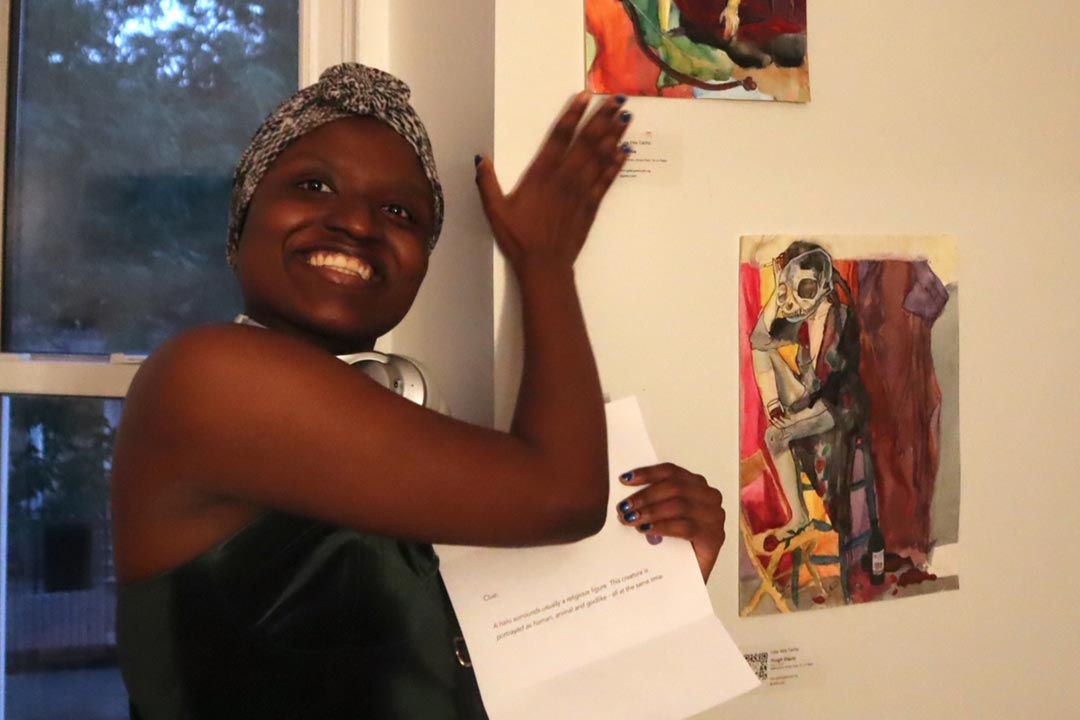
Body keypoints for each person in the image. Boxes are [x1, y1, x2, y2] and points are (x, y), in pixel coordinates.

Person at [110, 63, 727, 719]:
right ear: (242, 222)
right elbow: (563, 496)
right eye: (314, 185)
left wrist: (657, 574)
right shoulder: (207, 377)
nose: (357, 223)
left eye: (398, 211)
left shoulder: (399, 459)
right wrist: (544, 262)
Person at [749, 240, 868, 552]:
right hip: (812, 395)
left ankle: (799, 518)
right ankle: (798, 516)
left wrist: (801, 415)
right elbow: (758, 340)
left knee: (775, 436)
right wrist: (780, 291)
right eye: (792, 288)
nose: (798, 299)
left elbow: (835, 386)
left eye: (805, 287)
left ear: (823, 285)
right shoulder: (799, 319)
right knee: (763, 351)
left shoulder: (839, 317)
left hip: (837, 406)